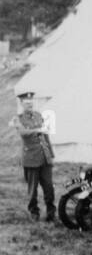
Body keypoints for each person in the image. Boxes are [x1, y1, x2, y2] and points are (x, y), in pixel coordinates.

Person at [12, 91, 55, 221]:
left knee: (49, 187)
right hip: (31, 159)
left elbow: (45, 135)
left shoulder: (38, 116)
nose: (30, 104)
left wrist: (51, 154)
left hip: (44, 158)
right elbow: (23, 132)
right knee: (32, 190)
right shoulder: (18, 119)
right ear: (21, 103)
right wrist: (37, 130)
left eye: (31, 101)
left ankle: (51, 213)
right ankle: (34, 213)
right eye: (27, 102)